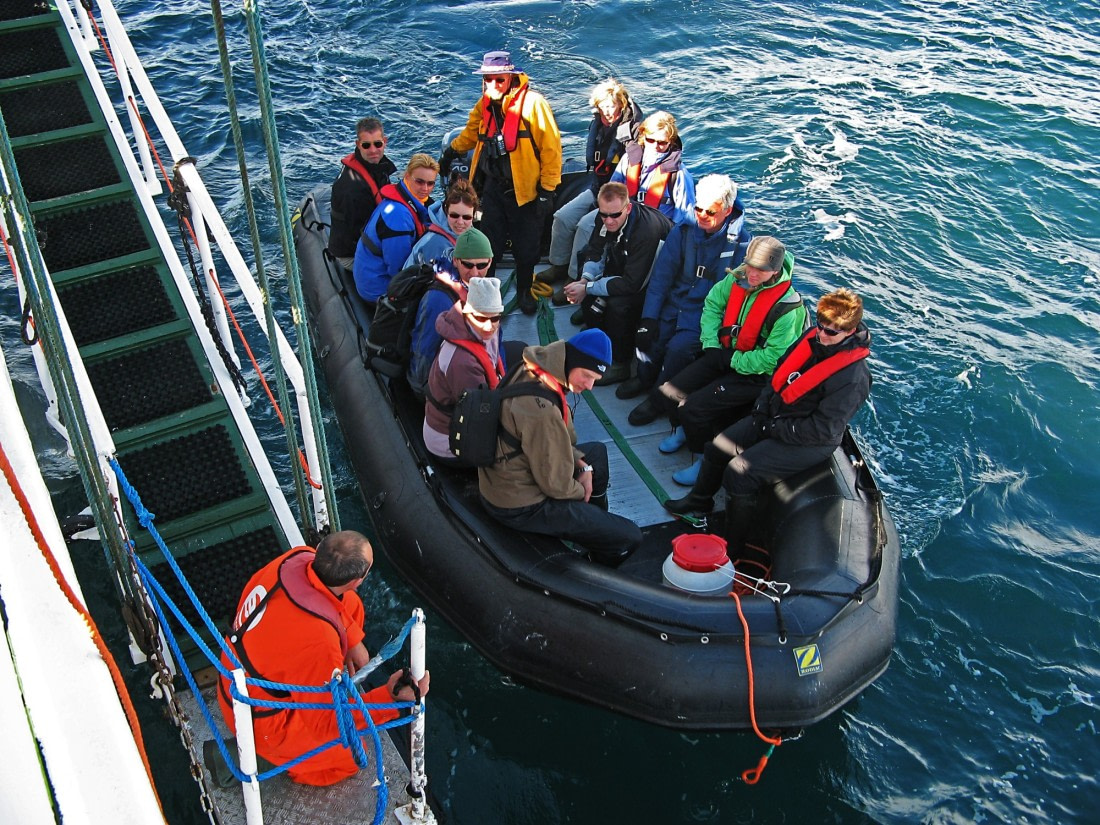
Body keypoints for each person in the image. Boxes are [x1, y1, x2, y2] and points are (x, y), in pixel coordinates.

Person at [664, 289, 872, 559]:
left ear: (850, 331)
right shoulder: (811, 340)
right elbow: (779, 376)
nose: (822, 334)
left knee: (740, 473)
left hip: (808, 440)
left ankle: (734, 548)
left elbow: (822, 429)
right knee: (717, 448)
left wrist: (771, 428)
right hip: (774, 418)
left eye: (831, 332)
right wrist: (762, 409)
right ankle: (698, 503)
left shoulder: (853, 378)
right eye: (820, 325)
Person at [217, 531, 430, 787]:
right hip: (258, 717)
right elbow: (329, 723)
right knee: (350, 755)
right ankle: (273, 761)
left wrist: (351, 640)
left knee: (350, 604)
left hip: (239, 666)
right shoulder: (318, 642)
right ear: (357, 579)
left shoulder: (296, 557)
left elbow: (325, 604)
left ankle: (325, 686)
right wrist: (390, 697)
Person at [478, 329, 643, 565]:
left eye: (595, 380)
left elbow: (550, 445)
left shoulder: (531, 367)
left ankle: (594, 525)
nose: (589, 387)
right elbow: (556, 485)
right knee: (629, 537)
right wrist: (580, 488)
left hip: (507, 472)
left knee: (596, 452)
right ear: (572, 361)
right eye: (586, 376)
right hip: (518, 504)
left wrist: (583, 467)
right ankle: (595, 570)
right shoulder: (541, 411)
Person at [656, 236, 807, 486]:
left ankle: (704, 457)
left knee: (694, 408)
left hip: (754, 373)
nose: (753, 274)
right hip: (724, 354)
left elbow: (773, 358)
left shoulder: (789, 309)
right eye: (750, 265)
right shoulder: (737, 278)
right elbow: (714, 304)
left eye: (761, 269)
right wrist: (712, 345)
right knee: (671, 391)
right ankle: (683, 429)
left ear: (776, 271)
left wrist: (733, 360)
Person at [440, 50, 562, 315]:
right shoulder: (483, 105)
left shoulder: (534, 104)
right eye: (488, 80)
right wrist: (452, 151)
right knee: (490, 244)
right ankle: (487, 295)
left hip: (525, 193)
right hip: (493, 189)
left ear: (510, 77)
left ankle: (524, 291)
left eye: (499, 79)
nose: (493, 85)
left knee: (526, 247)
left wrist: (547, 191)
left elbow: (552, 149)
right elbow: (470, 134)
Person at [617, 173, 751, 404]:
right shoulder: (683, 231)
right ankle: (644, 377)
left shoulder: (741, 246)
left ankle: (660, 398)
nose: (702, 216)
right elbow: (661, 278)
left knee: (678, 351)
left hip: (704, 314)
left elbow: (734, 297)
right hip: (673, 303)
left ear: (727, 211)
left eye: (710, 212)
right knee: (650, 337)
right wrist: (649, 318)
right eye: (699, 209)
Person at [553, 110, 694, 305]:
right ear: (644, 136)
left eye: (663, 143)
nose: (656, 147)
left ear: (670, 142)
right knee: (586, 225)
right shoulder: (629, 160)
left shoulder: (679, 175)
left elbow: (685, 216)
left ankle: (612, 295)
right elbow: (613, 187)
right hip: (624, 214)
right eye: (652, 140)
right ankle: (579, 282)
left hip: (654, 229)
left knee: (644, 257)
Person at [561, 182, 672, 385]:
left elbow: (633, 284)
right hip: (627, 261)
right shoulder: (604, 217)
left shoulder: (646, 230)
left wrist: (588, 288)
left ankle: (621, 364)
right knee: (585, 267)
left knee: (620, 305)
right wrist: (585, 280)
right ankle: (598, 327)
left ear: (628, 208)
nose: (609, 221)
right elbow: (595, 250)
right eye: (604, 215)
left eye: (614, 215)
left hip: (651, 274)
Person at [538, 78, 643, 285]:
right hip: (597, 188)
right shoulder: (599, 126)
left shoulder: (631, 132)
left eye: (611, 105)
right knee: (562, 218)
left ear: (621, 104)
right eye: (602, 106)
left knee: (585, 227)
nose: (607, 111)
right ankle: (558, 265)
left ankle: (573, 277)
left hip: (617, 198)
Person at [423, 277, 506, 463]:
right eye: (480, 317)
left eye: (495, 318)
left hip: (468, 409)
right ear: (467, 314)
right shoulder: (462, 362)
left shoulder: (483, 329)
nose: (489, 325)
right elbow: (481, 415)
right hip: (449, 441)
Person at [407, 227, 495, 396]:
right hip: (437, 382)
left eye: (482, 265)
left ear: (490, 262)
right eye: (468, 265)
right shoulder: (439, 299)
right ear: (455, 261)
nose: (475, 273)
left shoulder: (475, 288)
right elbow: (423, 354)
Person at [353, 153, 439, 303]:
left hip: (373, 273)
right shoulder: (399, 217)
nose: (425, 188)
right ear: (407, 176)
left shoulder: (403, 198)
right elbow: (398, 270)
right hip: (378, 288)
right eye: (419, 181)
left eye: (430, 183)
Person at [328, 117, 397, 269]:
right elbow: (365, 238)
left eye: (377, 144)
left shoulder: (376, 167)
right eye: (366, 145)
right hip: (352, 253)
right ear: (358, 145)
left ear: (384, 142)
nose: (373, 150)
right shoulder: (353, 189)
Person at [403, 177, 479, 269]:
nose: (460, 222)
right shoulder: (436, 243)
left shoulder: (468, 236)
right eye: (454, 215)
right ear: (446, 211)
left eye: (466, 217)